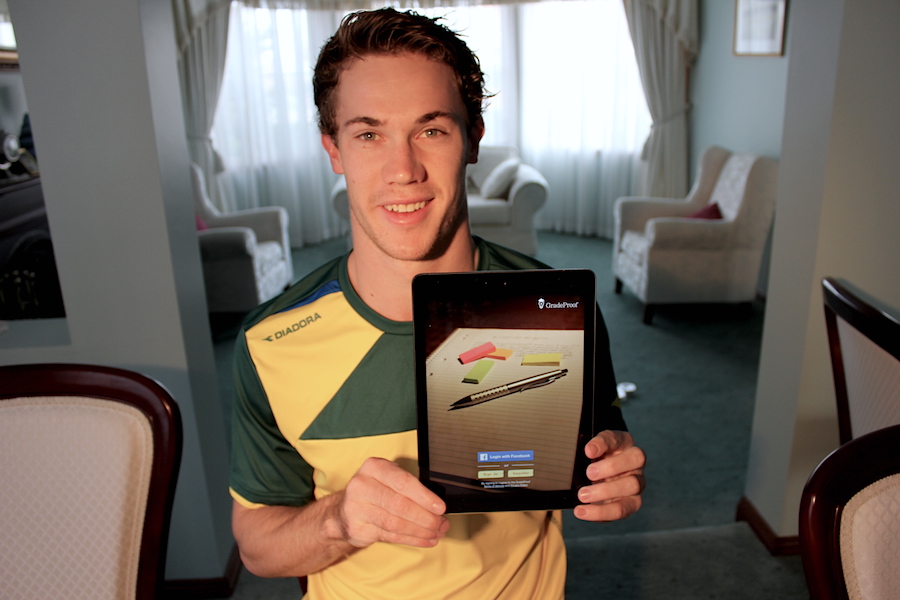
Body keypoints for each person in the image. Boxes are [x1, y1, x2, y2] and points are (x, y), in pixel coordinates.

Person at [229, 8, 646, 599]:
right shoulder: (270, 343)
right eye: (369, 134)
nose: (403, 171)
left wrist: (614, 471)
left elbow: (600, 451)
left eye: (431, 130)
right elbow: (258, 546)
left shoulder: (554, 304)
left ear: (473, 139)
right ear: (334, 150)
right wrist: (339, 520)